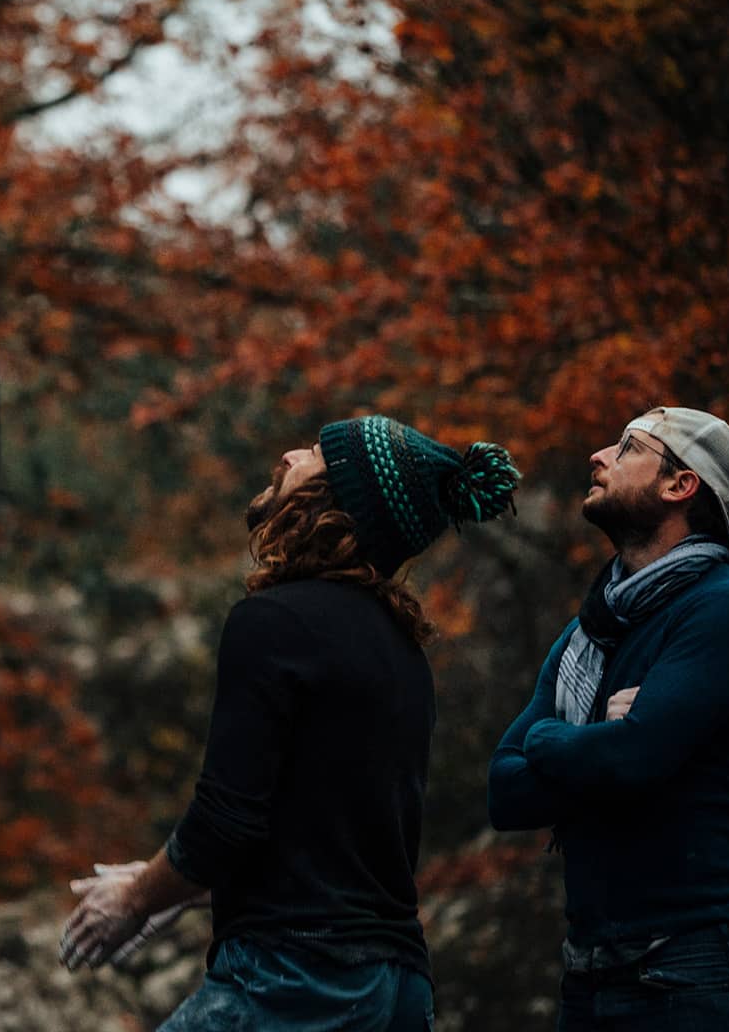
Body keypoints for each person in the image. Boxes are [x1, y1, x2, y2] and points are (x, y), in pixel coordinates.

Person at [61, 415, 520, 1030]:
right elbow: (322, 839)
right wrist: (179, 885)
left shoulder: (272, 622)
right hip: (397, 990)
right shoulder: (404, 655)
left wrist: (135, 901)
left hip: (296, 980)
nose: (285, 454)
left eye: (311, 455)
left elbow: (226, 818)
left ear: (334, 502)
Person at [487, 406, 729, 1030]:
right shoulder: (590, 632)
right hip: (589, 969)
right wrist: (597, 742)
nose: (599, 457)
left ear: (679, 485)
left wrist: (557, 739)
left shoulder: (726, 612)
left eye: (627, 446)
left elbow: (635, 759)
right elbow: (505, 793)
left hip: (697, 964)